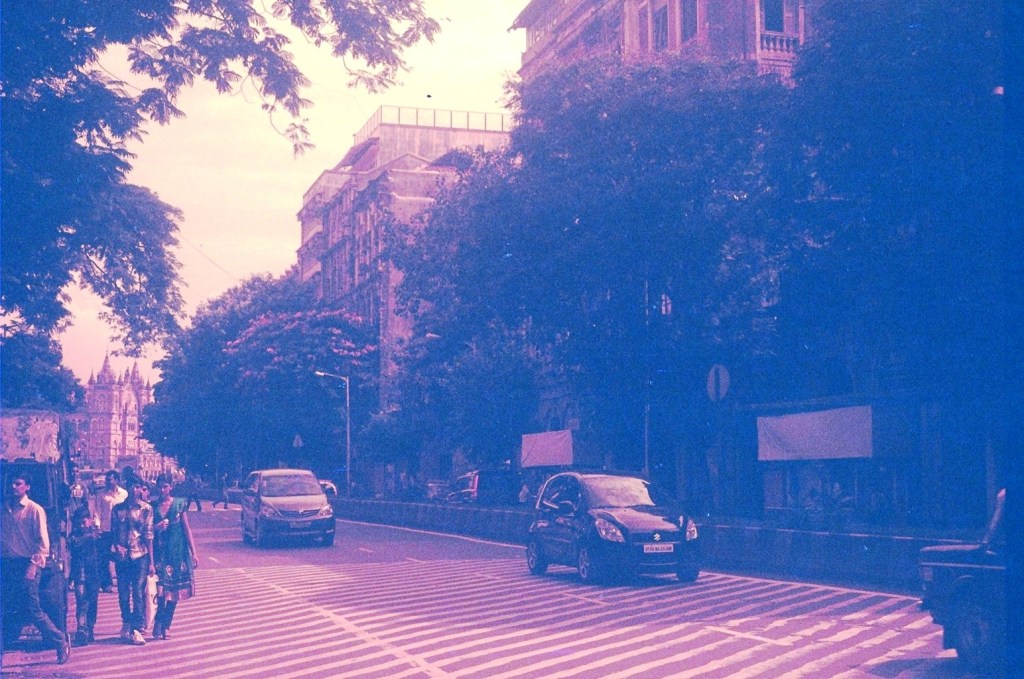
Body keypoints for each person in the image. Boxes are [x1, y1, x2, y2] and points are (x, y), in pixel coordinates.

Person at [1, 472, 71, 664]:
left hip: (28, 564)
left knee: (33, 609)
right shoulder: (3, 509)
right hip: (6, 564)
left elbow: (43, 544)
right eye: (12, 483)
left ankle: (60, 640)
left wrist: (33, 566)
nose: (13, 487)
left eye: (18, 483)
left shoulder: (34, 510)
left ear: (27, 487)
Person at [151, 474, 198, 640]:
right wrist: (156, 527)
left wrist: (193, 552)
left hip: (177, 553)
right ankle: (158, 622)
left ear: (170, 487)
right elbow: (147, 530)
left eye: (165, 486)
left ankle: (166, 625)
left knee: (174, 592)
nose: (162, 490)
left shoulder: (179, 504)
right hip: (159, 553)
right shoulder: (152, 506)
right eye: (160, 487)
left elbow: (186, 529)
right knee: (160, 591)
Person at [110, 478, 154, 646]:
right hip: (122, 557)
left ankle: (136, 628)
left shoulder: (146, 509)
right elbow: (113, 532)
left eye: (139, 487)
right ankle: (126, 622)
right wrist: (117, 546)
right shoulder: (118, 509)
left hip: (140, 555)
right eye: (133, 487)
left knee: (137, 591)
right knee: (123, 593)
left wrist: (151, 562)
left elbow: (149, 535)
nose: (136, 490)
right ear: (127, 488)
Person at [67, 506, 102, 646]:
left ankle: (90, 628)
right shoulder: (74, 535)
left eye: (84, 522)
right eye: (79, 523)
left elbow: (103, 553)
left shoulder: (97, 535)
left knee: (92, 601)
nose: (82, 526)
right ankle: (81, 629)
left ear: (90, 520)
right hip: (79, 573)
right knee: (81, 601)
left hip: (94, 573)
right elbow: (73, 543)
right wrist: (88, 537)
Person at [91, 470, 127, 592]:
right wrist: (97, 526)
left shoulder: (124, 494)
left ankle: (123, 581)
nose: (107, 482)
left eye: (110, 479)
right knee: (104, 556)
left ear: (116, 480)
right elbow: (97, 511)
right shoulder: (101, 494)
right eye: (107, 479)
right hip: (105, 529)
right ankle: (106, 584)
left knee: (122, 555)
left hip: (120, 530)